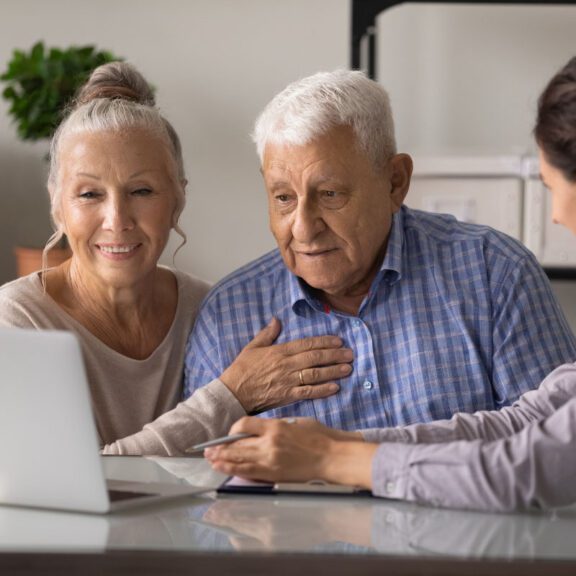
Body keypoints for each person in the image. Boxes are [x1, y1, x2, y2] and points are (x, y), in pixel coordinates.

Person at [205, 57, 576, 513]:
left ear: (395, 181)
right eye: (283, 197)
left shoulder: (493, 271)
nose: (302, 227)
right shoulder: (227, 313)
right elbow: (529, 422)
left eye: (330, 194)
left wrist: (330, 456)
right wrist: (335, 445)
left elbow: (536, 467)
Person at [0, 62, 353, 455]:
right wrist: (230, 395)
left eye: (142, 191)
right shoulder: (16, 321)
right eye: (89, 194)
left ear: (178, 199)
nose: (117, 221)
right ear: (57, 204)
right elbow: (70, 485)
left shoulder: (210, 310)